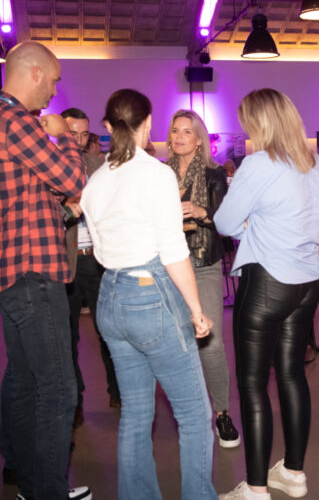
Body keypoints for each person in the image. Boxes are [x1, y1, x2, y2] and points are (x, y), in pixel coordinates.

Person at [80, 89, 217, 500]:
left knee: (136, 414)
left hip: (110, 297)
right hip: (150, 295)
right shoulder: (157, 176)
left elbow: (99, 246)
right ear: (149, 123)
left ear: (108, 126)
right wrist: (196, 310)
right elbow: (173, 252)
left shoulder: (96, 180)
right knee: (194, 414)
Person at [214, 88, 319, 500]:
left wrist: (252, 225)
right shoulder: (315, 162)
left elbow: (225, 222)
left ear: (260, 122)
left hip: (268, 283)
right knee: (292, 375)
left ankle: (256, 488)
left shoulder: (259, 163)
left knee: (252, 386)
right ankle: (294, 473)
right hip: (308, 283)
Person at [0, 41, 90, 500]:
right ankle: (47, 492)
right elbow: (73, 180)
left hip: (13, 274)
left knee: (23, 380)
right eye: (53, 80)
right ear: (34, 72)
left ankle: (25, 477)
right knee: (58, 389)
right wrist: (65, 137)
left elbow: (30, 195)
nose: (54, 91)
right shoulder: (16, 121)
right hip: (35, 273)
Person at [166, 109, 240, 448]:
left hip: (204, 262)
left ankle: (222, 413)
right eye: (175, 130)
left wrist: (200, 212)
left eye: (187, 131)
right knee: (176, 344)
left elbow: (224, 220)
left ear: (199, 139)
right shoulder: (160, 174)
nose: (179, 136)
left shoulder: (213, 174)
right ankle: (190, 414)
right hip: (168, 265)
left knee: (210, 342)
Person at [61, 107, 120, 428]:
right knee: (67, 337)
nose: (79, 140)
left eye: (84, 134)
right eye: (73, 134)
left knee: (108, 331)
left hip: (97, 261)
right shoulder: (51, 168)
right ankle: (75, 402)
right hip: (65, 261)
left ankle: (118, 392)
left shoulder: (99, 166)